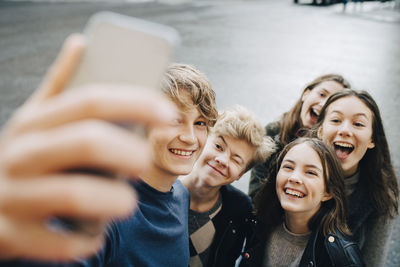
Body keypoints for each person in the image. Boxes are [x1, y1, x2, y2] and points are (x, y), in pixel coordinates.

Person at [1, 38, 219, 266]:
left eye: (200, 123)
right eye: (175, 119)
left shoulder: (180, 194)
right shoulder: (106, 211)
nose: (190, 137)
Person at [240, 138, 365, 267]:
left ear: (328, 192)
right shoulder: (258, 224)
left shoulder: (341, 257)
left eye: (310, 172)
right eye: (288, 167)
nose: (294, 178)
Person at [181, 105, 276, 267]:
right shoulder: (162, 187)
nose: (223, 160)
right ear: (202, 142)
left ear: (241, 174)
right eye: (218, 146)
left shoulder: (240, 209)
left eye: (236, 160)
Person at [314, 89, 399, 266]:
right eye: (336, 120)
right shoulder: (289, 174)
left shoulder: (381, 197)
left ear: (372, 140)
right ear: (320, 131)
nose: (345, 130)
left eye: (358, 124)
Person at [249, 74, 350, 198]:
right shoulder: (273, 132)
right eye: (322, 94)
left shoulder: (332, 147)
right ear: (306, 93)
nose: (323, 104)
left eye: (331, 103)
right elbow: (256, 193)